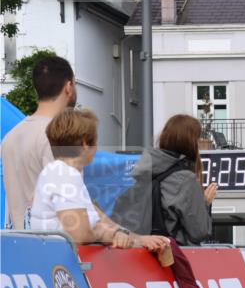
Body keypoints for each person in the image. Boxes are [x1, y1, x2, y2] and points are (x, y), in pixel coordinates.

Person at [28, 108, 169, 255]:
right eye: (95, 141)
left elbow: (102, 220)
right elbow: (80, 235)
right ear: (84, 144)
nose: (97, 147)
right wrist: (108, 235)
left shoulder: (63, 172)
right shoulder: (64, 174)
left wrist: (139, 239)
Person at [112, 114, 216, 245]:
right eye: (198, 140)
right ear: (190, 142)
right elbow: (199, 232)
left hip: (138, 251)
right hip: (168, 255)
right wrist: (205, 203)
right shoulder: (186, 179)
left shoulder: (141, 172)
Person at [2, 55, 76, 229]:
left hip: (18, 246)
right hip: (53, 247)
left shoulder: (10, 138)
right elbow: (70, 204)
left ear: (37, 91)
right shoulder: (59, 136)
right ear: (68, 87)